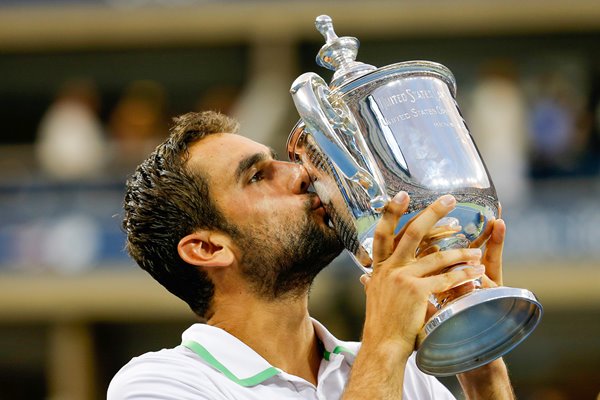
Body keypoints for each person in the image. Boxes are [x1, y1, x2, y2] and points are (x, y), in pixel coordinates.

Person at [108, 111, 514, 399]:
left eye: (279, 161)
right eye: (257, 176)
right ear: (208, 247)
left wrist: (480, 365)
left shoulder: (403, 376)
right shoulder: (162, 384)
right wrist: (386, 343)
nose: (301, 172)